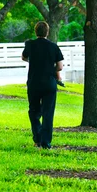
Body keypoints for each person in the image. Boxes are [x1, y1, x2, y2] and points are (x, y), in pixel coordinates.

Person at [22, 21, 64, 149]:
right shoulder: (53, 46)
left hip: (34, 83)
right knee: (48, 113)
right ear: (47, 32)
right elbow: (60, 66)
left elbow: (24, 58)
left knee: (33, 111)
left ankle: (37, 138)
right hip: (49, 84)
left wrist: (34, 61)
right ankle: (46, 142)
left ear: (36, 32)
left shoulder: (30, 45)